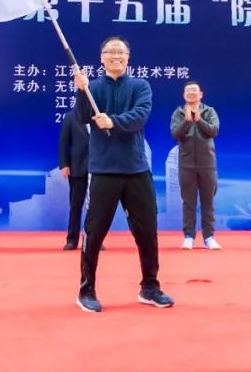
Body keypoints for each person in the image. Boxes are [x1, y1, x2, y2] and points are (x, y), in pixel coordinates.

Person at [72, 37, 174, 313]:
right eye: (110, 52)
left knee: (147, 231)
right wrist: (80, 91)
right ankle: (86, 290)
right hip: (103, 171)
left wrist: (113, 121)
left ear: (128, 57)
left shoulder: (140, 86)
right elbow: (81, 117)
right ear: (101, 57)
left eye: (121, 52)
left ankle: (150, 287)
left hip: (136, 169)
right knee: (94, 233)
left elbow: (140, 116)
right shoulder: (93, 87)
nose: (115, 56)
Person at [169, 81, 222, 250]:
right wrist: (186, 121)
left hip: (207, 164)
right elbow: (175, 134)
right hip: (186, 165)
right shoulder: (178, 112)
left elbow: (213, 131)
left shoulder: (209, 111)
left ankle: (209, 237)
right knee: (188, 203)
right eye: (188, 91)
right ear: (184, 95)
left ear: (201, 94)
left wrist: (198, 120)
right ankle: (189, 237)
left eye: (194, 91)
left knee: (208, 202)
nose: (191, 93)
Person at [57, 109, 90, 250]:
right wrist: (64, 164)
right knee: (76, 206)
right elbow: (63, 142)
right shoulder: (71, 117)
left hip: (98, 169)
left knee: (96, 208)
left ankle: (93, 239)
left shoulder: (100, 114)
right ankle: (72, 240)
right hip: (78, 168)